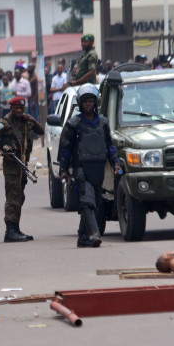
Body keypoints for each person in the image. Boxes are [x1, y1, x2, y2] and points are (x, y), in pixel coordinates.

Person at [59, 85, 121, 248]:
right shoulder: (74, 124)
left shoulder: (103, 122)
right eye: (85, 101)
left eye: (91, 101)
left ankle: (82, 236)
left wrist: (116, 163)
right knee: (87, 201)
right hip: (81, 169)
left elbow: (109, 145)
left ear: (96, 102)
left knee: (96, 202)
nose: (88, 104)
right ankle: (93, 233)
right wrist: (64, 170)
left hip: (98, 168)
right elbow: (65, 147)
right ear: (80, 103)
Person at [0, 96, 44, 242]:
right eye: (16, 108)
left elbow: (41, 131)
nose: (19, 111)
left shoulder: (26, 122)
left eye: (21, 108)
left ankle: (16, 229)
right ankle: (10, 232)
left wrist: (33, 120)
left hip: (23, 166)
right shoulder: (4, 124)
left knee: (20, 197)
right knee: (13, 198)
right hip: (11, 167)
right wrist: (1, 152)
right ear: (11, 108)